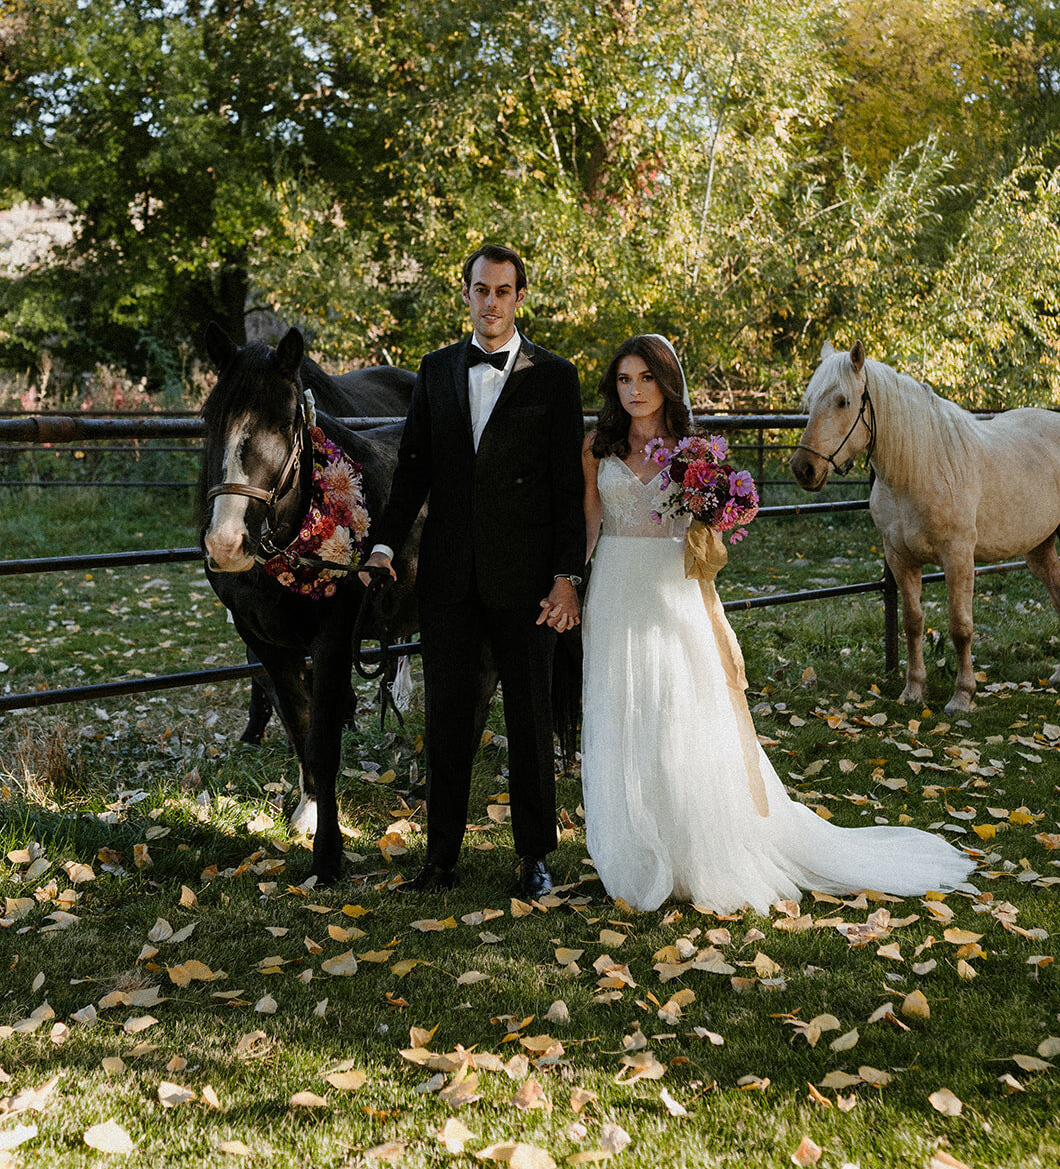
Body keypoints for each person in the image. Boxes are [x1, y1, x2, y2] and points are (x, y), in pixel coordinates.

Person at [579, 334, 976, 915]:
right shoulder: (597, 447)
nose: (635, 391)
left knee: (678, 711)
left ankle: (696, 848)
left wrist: (718, 513)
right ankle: (637, 848)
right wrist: (570, 584)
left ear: (666, 384)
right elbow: (589, 526)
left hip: (674, 592)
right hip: (615, 589)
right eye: (624, 380)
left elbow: (712, 535)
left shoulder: (693, 452)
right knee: (621, 713)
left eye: (646, 378)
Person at [364, 244, 586, 899]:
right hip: (449, 580)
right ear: (466, 294)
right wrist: (381, 546)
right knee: (449, 721)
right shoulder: (433, 373)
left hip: (527, 582)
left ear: (520, 298)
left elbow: (568, 492)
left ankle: (535, 859)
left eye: (503, 291)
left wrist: (568, 574)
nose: (491, 302)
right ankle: (440, 860)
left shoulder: (555, 378)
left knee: (530, 720)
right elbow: (410, 477)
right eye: (480, 290)